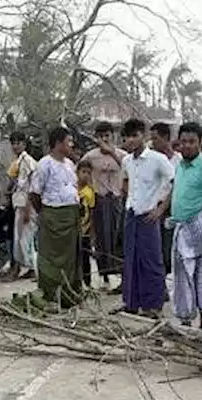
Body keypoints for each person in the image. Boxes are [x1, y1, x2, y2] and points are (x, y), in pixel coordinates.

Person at [168, 121, 202, 327]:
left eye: (192, 142)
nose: (188, 146)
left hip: (198, 226)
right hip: (181, 226)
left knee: (201, 274)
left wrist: (199, 223)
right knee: (182, 276)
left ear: (200, 143)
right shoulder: (180, 166)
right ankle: (186, 320)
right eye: (184, 142)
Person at [120, 118, 175, 316]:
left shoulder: (157, 159)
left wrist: (160, 209)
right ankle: (132, 302)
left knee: (151, 261)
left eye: (135, 135)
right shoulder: (126, 161)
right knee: (130, 259)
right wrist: (129, 198)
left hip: (149, 217)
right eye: (128, 137)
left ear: (143, 136)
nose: (132, 140)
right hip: (131, 214)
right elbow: (126, 182)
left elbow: (174, 182)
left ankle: (154, 305)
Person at [30, 126, 83, 309]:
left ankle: (69, 295)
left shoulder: (70, 164)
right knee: (51, 258)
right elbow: (35, 193)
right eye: (68, 141)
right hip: (53, 216)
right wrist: (45, 214)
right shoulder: (44, 164)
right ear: (59, 143)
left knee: (71, 258)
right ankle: (51, 295)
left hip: (70, 216)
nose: (71, 144)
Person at [79, 121, 127, 290]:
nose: (104, 139)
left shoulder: (121, 154)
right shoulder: (90, 156)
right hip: (99, 199)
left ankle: (119, 275)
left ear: (112, 136)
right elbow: (80, 171)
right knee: (101, 238)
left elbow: (129, 169)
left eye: (107, 135)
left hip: (116, 199)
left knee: (117, 237)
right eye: (101, 136)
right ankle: (103, 275)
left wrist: (112, 153)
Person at [151, 121, 182, 278]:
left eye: (155, 139)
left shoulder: (179, 162)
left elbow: (176, 187)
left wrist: (163, 208)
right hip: (153, 206)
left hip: (170, 208)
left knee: (167, 247)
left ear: (165, 138)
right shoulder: (152, 160)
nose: (152, 143)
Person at [7, 130, 38, 279]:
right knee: (20, 237)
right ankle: (25, 267)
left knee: (25, 237)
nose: (15, 146)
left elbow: (29, 186)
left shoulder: (27, 161)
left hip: (26, 203)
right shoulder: (18, 161)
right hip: (18, 202)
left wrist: (27, 208)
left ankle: (30, 266)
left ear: (24, 144)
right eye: (13, 143)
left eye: (18, 143)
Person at [77, 159, 97, 289]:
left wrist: (92, 233)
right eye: (83, 172)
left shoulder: (89, 192)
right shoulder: (71, 188)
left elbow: (91, 212)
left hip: (84, 230)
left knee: (85, 258)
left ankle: (88, 283)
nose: (86, 175)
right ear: (77, 172)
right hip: (72, 230)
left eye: (88, 173)